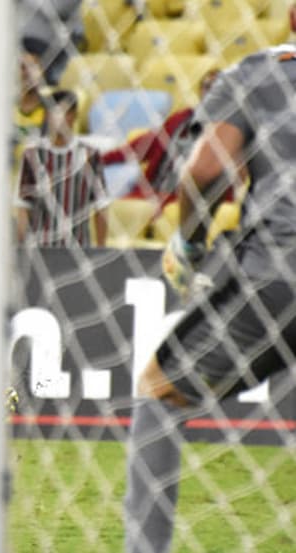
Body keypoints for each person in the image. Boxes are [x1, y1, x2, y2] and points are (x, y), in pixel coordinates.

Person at [123, 13, 296, 551]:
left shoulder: (259, 72)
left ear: (291, 18)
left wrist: (190, 242)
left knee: (160, 389)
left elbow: (204, 171)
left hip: (283, 268)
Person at [101, 70, 222, 209]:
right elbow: (144, 145)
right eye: (207, 86)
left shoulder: (231, 128)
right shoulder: (182, 118)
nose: (211, 91)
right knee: (108, 209)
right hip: (153, 191)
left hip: (186, 199)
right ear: (200, 90)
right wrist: (101, 159)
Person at [16, 89, 109, 247]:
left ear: (74, 116)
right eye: (53, 113)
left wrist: (101, 247)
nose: (58, 119)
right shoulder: (33, 155)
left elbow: (101, 205)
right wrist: (21, 246)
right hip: (40, 248)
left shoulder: (89, 154)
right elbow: (24, 206)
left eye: (64, 113)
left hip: (78, 246)